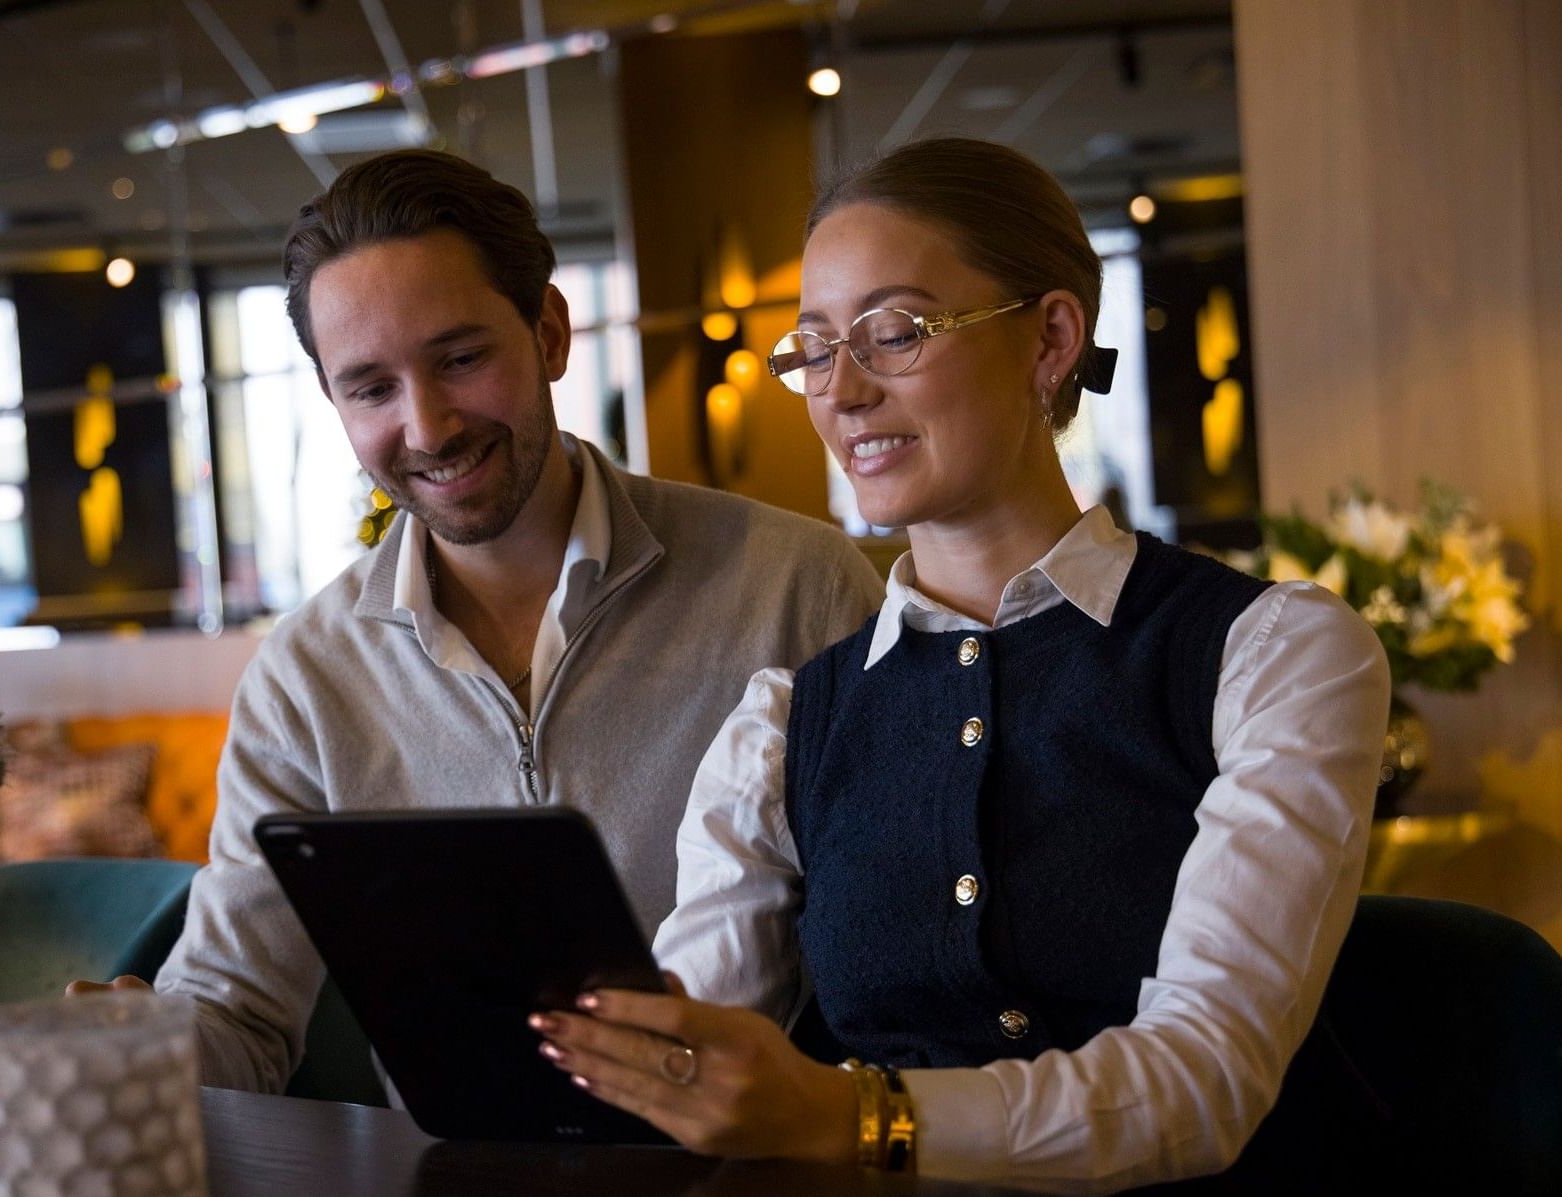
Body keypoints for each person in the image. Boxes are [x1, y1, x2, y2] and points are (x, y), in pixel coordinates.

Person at [530, 137, 1390, 1192]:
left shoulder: (1272, 652)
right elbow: (693, 1053)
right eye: (814, 349)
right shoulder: (786, 723)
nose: (841, 391)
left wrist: (854, 1117)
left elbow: (1204, 1081)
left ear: (1050, 339)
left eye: (894, 334)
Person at [67, 149, 885, 1095]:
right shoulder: (306, 676)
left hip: (754, 1151)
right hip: (446, 1161)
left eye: (460, 360)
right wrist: (143, 1045)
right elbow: (238, 1011)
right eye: (372, 388)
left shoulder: (795, 586)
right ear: (334, 399)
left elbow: (895, 956)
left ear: (549, 333)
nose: (427, 427)